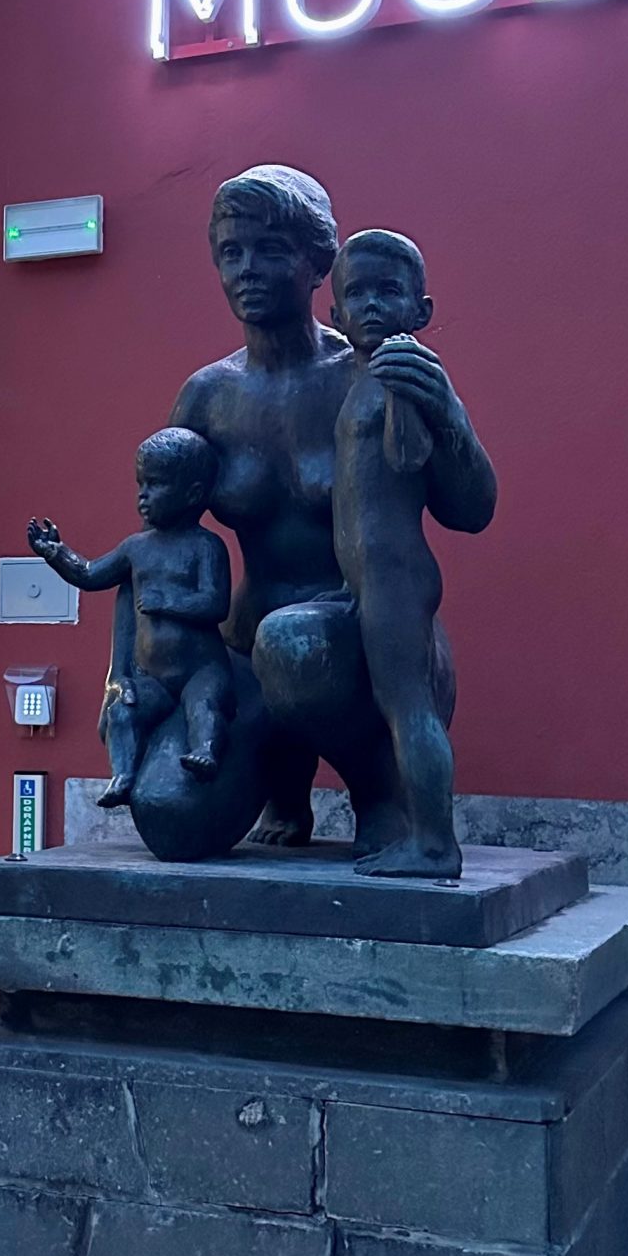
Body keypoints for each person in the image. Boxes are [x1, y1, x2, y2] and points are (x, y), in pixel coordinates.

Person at [171, 165, 495, 850]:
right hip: (249, 648)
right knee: (174, 820)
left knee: (292, 646)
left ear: (319, 264)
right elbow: (163, 540)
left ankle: (382, 791)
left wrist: (448, 415)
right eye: (231, 252)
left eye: (270, 250)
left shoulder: (374, 367)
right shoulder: (207, 397)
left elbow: (472, 510)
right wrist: (139, 672)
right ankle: (281, 791)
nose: (247, 270)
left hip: (362, 644)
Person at [328, 228, 481, 878]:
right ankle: (423, 835)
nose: (371, 306)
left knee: (407, 705)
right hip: (366, 578)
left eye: (387, 291)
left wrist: (431, 406)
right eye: (357, 294)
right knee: (397, 703)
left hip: (393, 573)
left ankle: (434, 842)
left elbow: (410, 455)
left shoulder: (401, 369)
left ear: (421, 309)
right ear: (335, 315)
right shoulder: (363, 375)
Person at [28, 428, 235, 805]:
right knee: (123, 712)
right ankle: (123, 775)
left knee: (204, 707)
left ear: (192, 494)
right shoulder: (136, 548)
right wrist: (57, 554)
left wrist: (168, 602)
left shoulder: (206, 546)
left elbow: (215, 604)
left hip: (200, 670)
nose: (143, 495)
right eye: (141, 484)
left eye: (155, 485)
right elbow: (91, 574)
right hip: (153, 676)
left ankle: (205, 751)